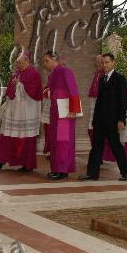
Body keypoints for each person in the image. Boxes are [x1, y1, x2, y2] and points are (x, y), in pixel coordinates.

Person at [79, 53, 127, 181]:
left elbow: (123, 101)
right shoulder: (102, 79)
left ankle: (126, 171)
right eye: (103, 63)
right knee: (96, 147)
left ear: (113, 62)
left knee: (116, 146)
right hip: (100, 120)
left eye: (107, 62)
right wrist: (94, 119)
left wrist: (121, 120)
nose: (104, 65)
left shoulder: (119, 79)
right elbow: (99, 101)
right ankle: (92, 174)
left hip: (113, 120)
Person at [0, 52, 42, 172]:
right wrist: (14, 86)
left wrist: (19, 84)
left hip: (27, 111)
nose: (18, 65)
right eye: (17, 63)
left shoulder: (34, 74)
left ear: (27, 61)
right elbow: (10, 91)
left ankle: (27, 165)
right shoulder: (16, 74)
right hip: (14, 110)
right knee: (6, 135)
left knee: (27, 138)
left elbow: (34, 92)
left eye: (20, 63)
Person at [42, 51, 81, 180]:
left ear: (55, 59)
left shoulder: (65, 71)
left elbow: (73, 90)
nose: (45, 64)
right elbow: (52, 91)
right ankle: (56, 168)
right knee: (55, 141)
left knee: (62, 141)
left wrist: (74, 110)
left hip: (65, 111)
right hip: (55, 111)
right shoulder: (52, 74)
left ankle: (63, 170)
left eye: (46, 60)